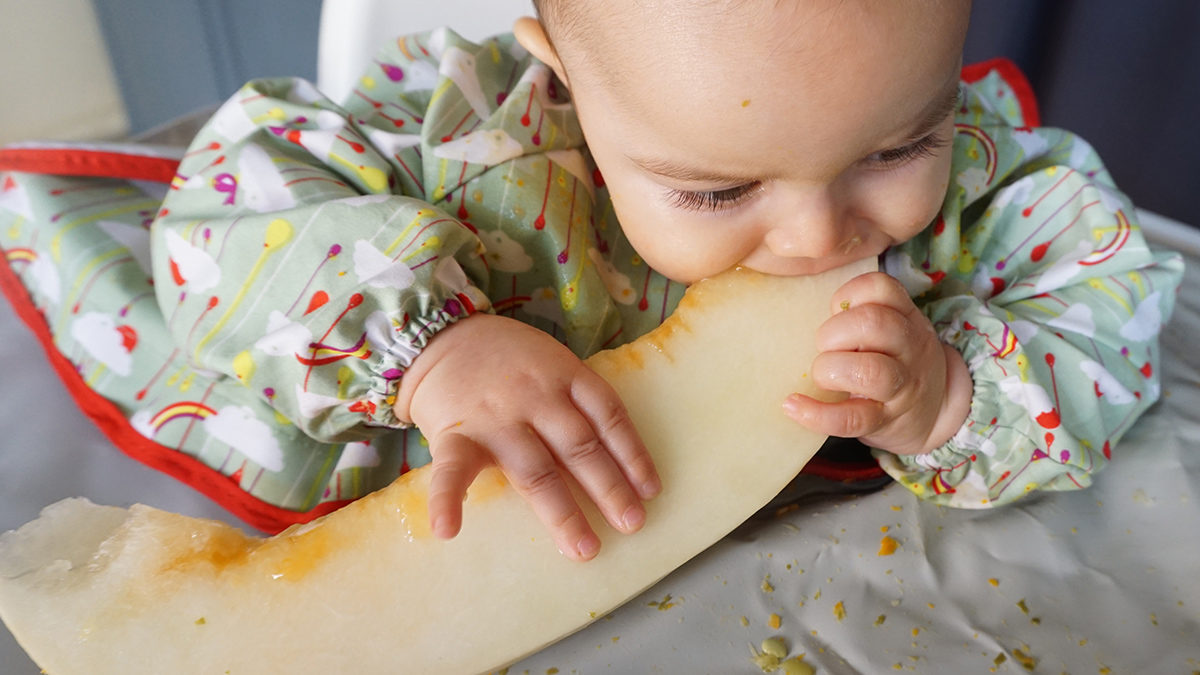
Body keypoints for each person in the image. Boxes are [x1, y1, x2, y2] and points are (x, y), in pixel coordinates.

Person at [0, 0, 1181, 562]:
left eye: (894, 148)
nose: (820, 235)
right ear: (564, 77)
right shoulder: (480, 146)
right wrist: (433, 347)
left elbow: (1108, 311)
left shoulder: (988, 190)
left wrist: (950, 399)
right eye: (718, 194)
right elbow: (234, 206)